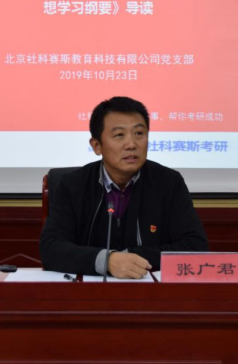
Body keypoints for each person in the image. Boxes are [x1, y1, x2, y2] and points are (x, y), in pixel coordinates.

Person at [40, 96, 209, 279]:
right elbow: (51, 248)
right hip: (87, 291)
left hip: (149, 290)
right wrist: (107, 261)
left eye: (139, 133)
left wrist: (130, 259)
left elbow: (196, 247)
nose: (132, 144)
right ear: (97, 146)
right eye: (119, 135)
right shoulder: (73, 185)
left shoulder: (169, 183)